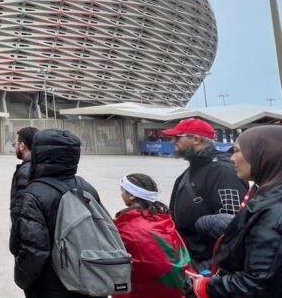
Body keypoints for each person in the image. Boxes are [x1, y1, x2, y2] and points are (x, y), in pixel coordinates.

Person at [183, 125, 282, 298]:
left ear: (264, 154)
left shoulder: (274, 211)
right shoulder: (266, 194)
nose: (232, 158)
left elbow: (257, 283)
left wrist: (204, 287)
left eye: (237, 151)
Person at [10, 128, 101, 297]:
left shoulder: (35, 193)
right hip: (85, 277)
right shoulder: (87, 188)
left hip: (51, 283)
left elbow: (34, 250)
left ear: (41, 153)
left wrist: (22, 279)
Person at [162, 118, 248, 271]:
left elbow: (231, 226)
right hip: (190, 259)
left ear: (196, 139)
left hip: (208, 263)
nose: (173, 141)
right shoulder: (191, 170)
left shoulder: (223, 171)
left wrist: (212, 266)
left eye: (177, 137)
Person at [114, 173, 190, 298]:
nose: (121, 193)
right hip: (177, 288)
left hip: (143, 291)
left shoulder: (127, 227)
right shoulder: (164, 220)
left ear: (132, 195)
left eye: (122, 190)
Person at [9, 127, 37, 236]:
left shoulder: (26, 171)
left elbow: (21, 209)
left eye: (15, 143)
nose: (15, 146)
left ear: (22, 146)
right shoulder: (37, 165)